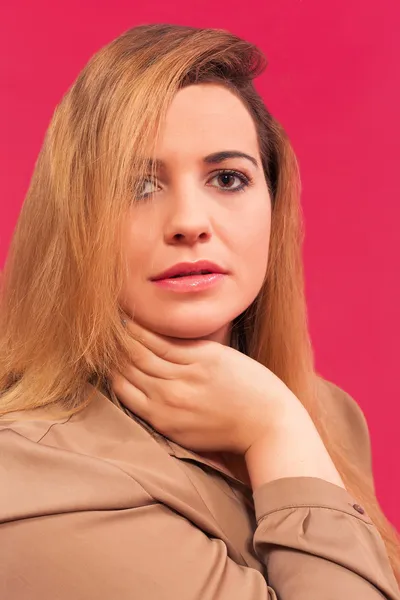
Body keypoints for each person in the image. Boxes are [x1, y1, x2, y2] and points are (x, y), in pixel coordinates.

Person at [0, 23, 399, 600]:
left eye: (229, 178)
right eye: (137, 186)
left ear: (274, 202)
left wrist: (281, 424)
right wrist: (277, 433)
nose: (190, 221)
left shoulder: (325, 415)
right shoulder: (30, 473)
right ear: (75, 223)